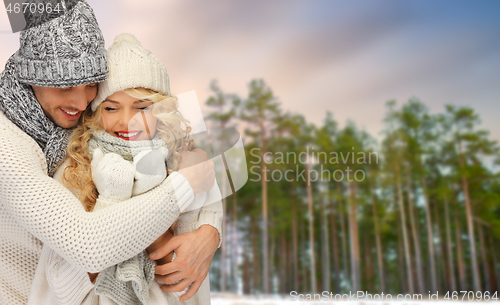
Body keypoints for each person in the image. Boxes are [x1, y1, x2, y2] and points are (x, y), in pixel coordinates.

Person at [0, 1, 221, 304]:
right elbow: (86, 244)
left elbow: (196, 157)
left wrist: (208, 231)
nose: (80, 103)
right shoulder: (9, 146)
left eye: (91, 84)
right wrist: (184, 185)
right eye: (65, 87)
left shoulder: (83, 128)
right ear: (30, 78)